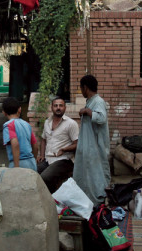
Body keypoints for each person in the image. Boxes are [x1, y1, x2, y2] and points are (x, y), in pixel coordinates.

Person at [73, 74, 110, 205]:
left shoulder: (98, 101)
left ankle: (99, 201)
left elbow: (101, 118)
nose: (81, 91)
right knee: (88, 175)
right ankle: (89, 202)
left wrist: (87, 111)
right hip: (89, 147)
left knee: (97, 175)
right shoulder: (90, 101)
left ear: (85, 88)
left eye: (81, 88)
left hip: (96, 146)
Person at [36, 97, 79, 193]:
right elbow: (43, 139)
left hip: (63, 160)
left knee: (45, 177)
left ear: (65, 108)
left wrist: (64, 149)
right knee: (33, 173)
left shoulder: (71, 124)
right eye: (55, 105)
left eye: (61, 105)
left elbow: (77, 144)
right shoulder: (47, 122)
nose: (58, 108)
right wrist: (42, 155)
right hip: (48, 159)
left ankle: (51, 200)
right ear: (51, 108)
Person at [2, 96, 37, 170]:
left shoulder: (8, 125)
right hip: (31, 162)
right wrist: (34, 159)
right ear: (20, 110)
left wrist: (16, 166)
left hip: (19, 163)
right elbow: (35, 145)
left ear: (4, 113)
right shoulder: (27, 124)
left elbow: (15, 144)